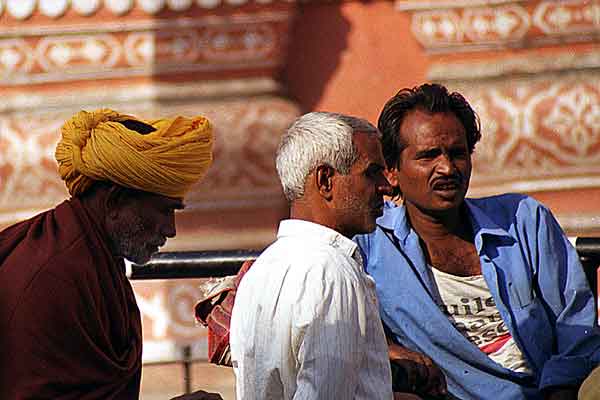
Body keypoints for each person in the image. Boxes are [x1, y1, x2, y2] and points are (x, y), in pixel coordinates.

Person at [355, 83, 600, 400]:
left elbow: (575, 323)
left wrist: (561, 389)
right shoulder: (370, 242)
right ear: (391, 172)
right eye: (428, 156)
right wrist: (389, 351)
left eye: (457, 153)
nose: (446, 168)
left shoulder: (523, 219)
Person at [0, 109, 222, 400]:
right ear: (115, 202)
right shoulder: (52, 274)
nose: (170, 230)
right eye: (165, 210)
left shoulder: (96, 258)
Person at [229, 111, 418, 400]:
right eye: (371, 172)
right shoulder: (332, 271)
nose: (386, 186)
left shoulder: (261, 269)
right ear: (326, 180)